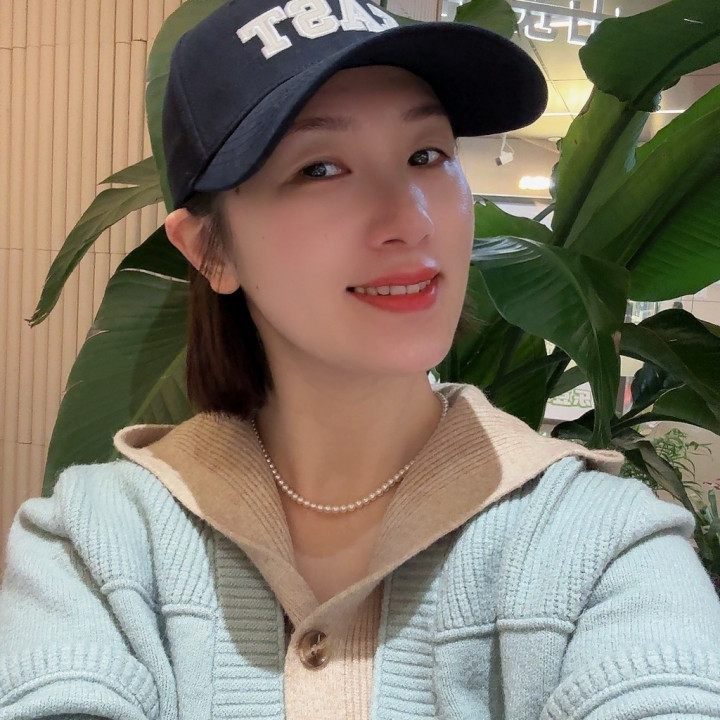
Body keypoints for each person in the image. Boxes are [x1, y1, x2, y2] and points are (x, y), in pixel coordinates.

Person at [2, 0, 720, 717]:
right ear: (210, 250)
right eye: (320, 168)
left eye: (426, 155)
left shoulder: (603, 546)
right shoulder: (94, 547)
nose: (411, 219)